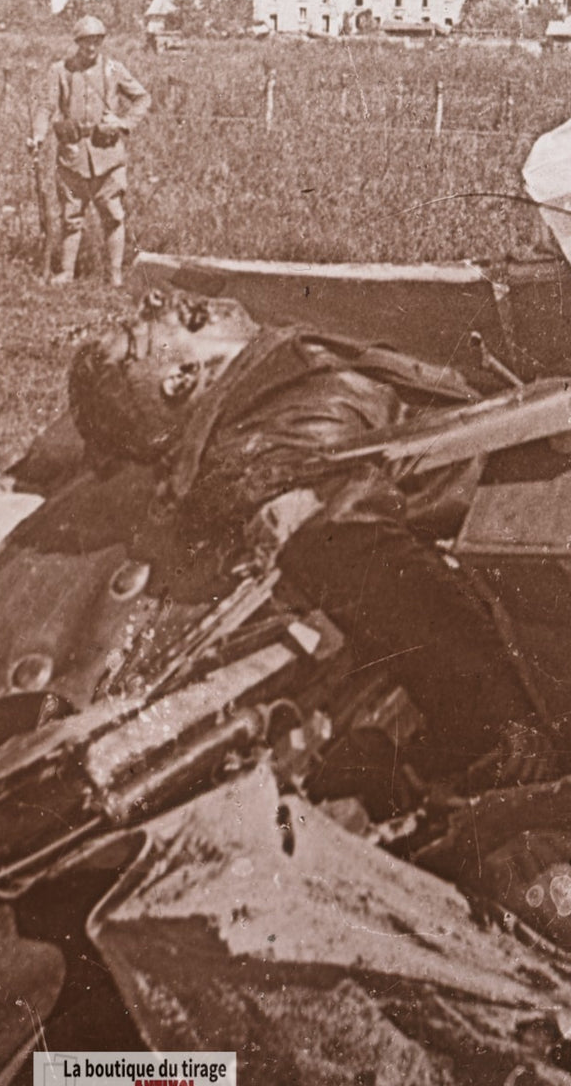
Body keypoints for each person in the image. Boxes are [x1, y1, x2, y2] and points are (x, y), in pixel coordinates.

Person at [66, 290, 537, 790]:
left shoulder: (267, 378)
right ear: (181, 379)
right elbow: (368, 564)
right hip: (535, 518)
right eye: (143, 331)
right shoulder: (270, 451)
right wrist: (499, 714)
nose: (156, 297)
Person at [29, 15, 151, 288]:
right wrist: (38, 134)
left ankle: (115, 275)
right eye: (86, 41)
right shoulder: (60, 71)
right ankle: (67, 272)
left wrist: (124, 122)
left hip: (108, 156)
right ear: (77, 42)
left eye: (96, 41)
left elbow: (143, 97)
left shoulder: (113, 69)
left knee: (113, 216)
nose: (91, 47)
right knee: (71, 217)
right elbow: (46, 106)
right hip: (72, 156)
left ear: (102, 41)